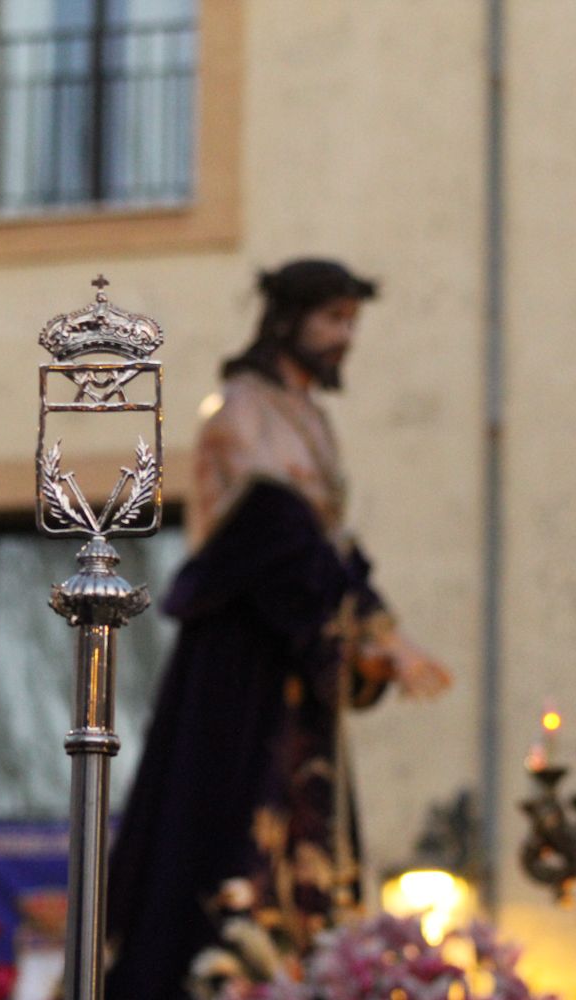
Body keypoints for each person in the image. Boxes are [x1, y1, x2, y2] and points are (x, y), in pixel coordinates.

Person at [105, 259, 450, 1000]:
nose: (344, 338)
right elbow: (276, 537)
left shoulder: (308, 416)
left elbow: (329, 548)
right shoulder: (241, 409)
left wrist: (376, 630)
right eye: (331, 319)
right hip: (241, 660)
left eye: (351, 322)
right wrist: (369, 632)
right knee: (228, 832)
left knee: (308, 845)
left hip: (293, 659)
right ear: (286, 320)